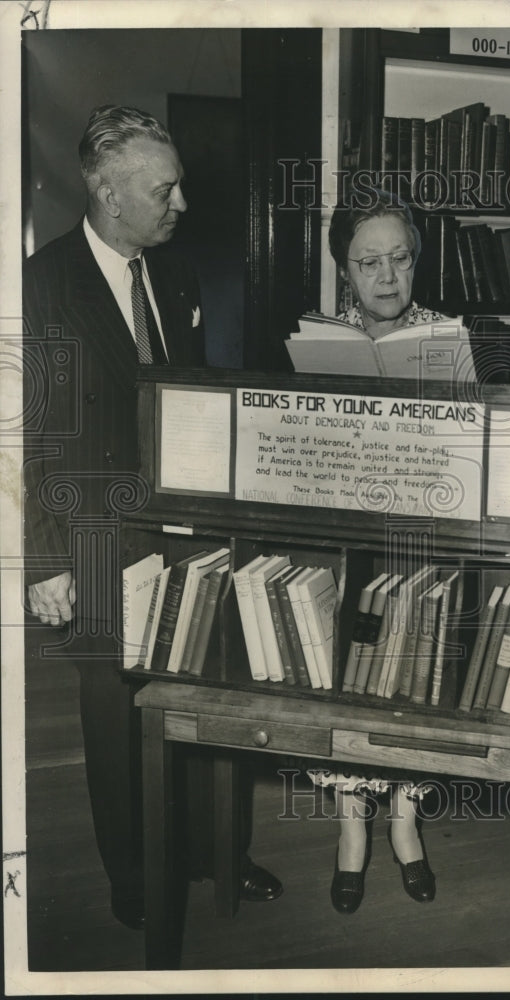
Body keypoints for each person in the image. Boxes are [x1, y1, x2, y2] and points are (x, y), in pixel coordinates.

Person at [23, 104, 282, 930]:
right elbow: (17, 436)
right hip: (92, 536)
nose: (180, 205)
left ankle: (218, 853)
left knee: (208, 695)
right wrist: (43, 563)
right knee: (112, 716)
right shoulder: (38, 286)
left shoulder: (172, 274)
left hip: (186, 530)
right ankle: (134, 879)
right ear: (106, 191)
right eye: (164, 190)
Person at [300, 189, 445, 913]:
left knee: (411, 673)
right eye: (368, 263)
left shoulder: (449, 337)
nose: (386, 277)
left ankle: (406, 821)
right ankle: (351, 827)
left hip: (423, 537)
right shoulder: (316, 338)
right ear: (343, 272)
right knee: (351, 673)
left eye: (399, 260)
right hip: (348, 541)